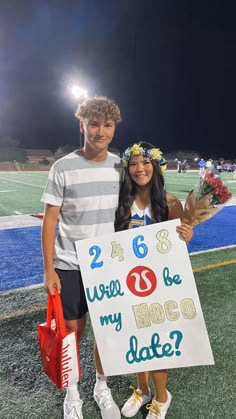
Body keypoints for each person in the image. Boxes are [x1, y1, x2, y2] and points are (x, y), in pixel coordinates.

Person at [41, 96, 122, 419]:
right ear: (82, 125)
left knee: (106, 330)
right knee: (73, 331)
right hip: (70, 265)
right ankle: (72, 390)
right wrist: (49, 270)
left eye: (107, 125)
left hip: (107, 265)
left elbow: (140, 206)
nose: (100, 131)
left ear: (114, 128)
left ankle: (102, 386)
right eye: (94, 124)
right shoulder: (62, 167)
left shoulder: (119, 166)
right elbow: (50, 220)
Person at [114, 142, 193, 419]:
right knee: (136, 338)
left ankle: (162, 397)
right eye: (133, 164)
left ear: (156, 166)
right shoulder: (120, 203)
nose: (140, 169)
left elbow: (178, 245)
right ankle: (142, 389)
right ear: (127, 169)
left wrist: (186, 234)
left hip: (158, 284)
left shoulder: (170, 201)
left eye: (146, 163)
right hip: (129, 283)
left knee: (156, 341)